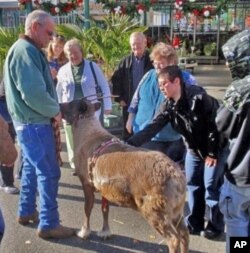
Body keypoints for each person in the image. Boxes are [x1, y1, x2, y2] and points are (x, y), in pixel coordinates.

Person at [127, 65, 224, 240]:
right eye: (160, 85)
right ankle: (195, 222)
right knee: (193, 183)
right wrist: (127, 144)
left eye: (164, 84)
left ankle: (215, 226)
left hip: (214, 149)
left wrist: (212, 154)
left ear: (176, 81)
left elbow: (214, 127)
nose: (161, 88)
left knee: (211, 186)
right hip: (193, 150)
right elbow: (152, 128)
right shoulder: (168, 105)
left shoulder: (199, 98)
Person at [3, 10, 74, 239]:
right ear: (35, 27)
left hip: (27, 124)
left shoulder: (24, 50)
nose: (52, 38)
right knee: (49, 173)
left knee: (32, 170)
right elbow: (33, 93)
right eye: (49, 32)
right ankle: (49, 223)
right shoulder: (26, 51)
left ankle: (26, 211)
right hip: (35, 124)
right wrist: (55, 111)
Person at [126, 43, 197, 162]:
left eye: (161, 63)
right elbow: (136, 99)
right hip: (143, 134)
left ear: (173, 63)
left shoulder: (186, 79)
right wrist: (130, 118)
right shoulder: (148, 75)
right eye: (155, 62)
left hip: (170, 138)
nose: (157, 66)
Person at [216, 29, 250, 253]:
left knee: (238, 227)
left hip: (240, 177)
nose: (229, 66)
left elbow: (222, 124)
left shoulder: (240, 90)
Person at [56, 38, 112, 171]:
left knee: (91, 137)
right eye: (69, 53)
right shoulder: (63, 70)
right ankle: (76, 164)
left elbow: (104, 85)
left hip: (89, 110)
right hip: (70, 111)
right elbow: (58, 91)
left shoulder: (92, 66)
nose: (73, 56)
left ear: (81, 52)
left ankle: (93, 162)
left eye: (75, 52)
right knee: (71, 138)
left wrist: (108, 105)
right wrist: (58, 110)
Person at [111, 32, 154, 140]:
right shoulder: (124, 62)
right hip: (129, 103)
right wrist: (119, 98)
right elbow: (115, 80)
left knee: (146, 130)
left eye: (138, 43)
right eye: (133, 44)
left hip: (148, 103)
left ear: (145, 43)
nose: (136, 46)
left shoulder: (153, 61)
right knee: (128, 131)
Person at [0, 79, 19, 194]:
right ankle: (6, 183)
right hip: (5, 114)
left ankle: (7, 180)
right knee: (6, 148)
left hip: (9, 114)